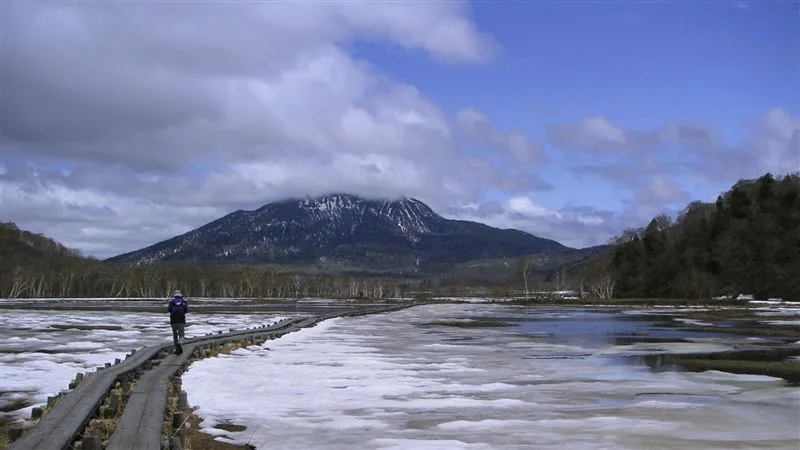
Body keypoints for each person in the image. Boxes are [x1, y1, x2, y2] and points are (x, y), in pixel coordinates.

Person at [168, 290, 189, 354]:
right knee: (181, 335)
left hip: (173, 321)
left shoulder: (171, 302)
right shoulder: (184, 302)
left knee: (175, 335)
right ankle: (180, 343)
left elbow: (169, 310)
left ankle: (175, 347)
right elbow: (186, 310)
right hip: (181, 321)